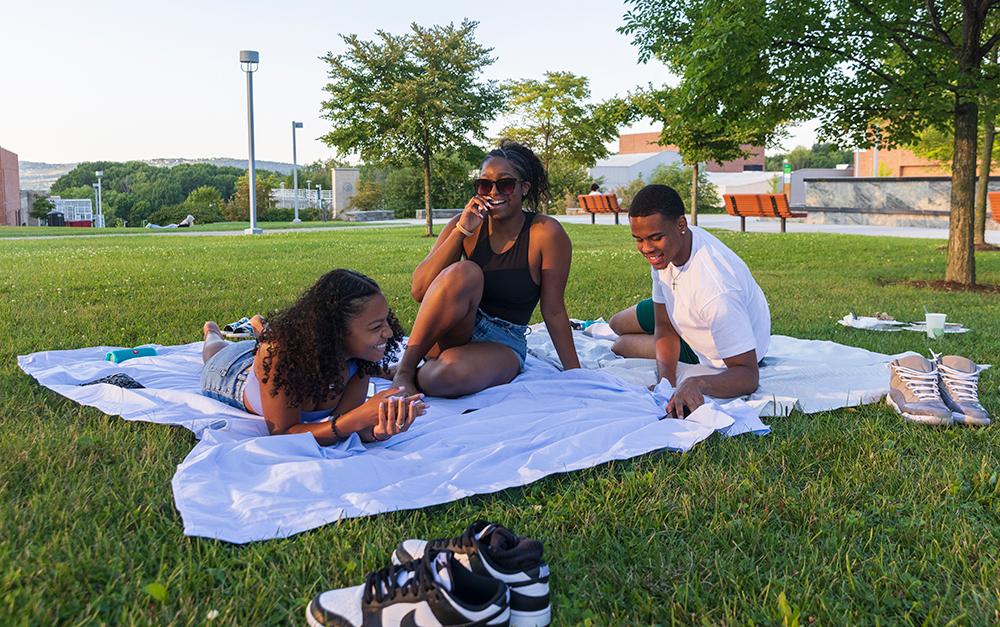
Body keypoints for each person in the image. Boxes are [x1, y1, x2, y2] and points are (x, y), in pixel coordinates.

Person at [391, 140, 581, 398]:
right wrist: (462, 231)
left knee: (441, 379)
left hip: (503, 339)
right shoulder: (464, 224)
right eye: (484, 184)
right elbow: (419, 290)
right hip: (459, 326)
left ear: (524, 188)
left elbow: (554, 309)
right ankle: (404, 370)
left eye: (505, 184)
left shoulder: (546, 233)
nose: (494, 192)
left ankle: (420, 372)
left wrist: (576, 375)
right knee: (464, 272)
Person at [199, 269, 425, 445]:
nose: (390, 332)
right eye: (376, 326)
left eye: (386, 320)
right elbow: (284, 433)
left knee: (266, 341)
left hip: (275, 359)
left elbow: (346, 425)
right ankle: (212, 331)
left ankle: (260, 327)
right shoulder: (280, 354)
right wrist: (359, 417)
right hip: (229, 372)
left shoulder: (360, 361)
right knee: (216, 349)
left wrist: (380, 430)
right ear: (336, 331)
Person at [627, 184, 771, 417]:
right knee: (617, 324)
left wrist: (697, 383)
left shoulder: (716, 289)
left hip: (717, 348)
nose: (646, 248)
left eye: (654, 238)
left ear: (681, 225)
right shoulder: (669, 249)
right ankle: (592, 328)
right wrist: (667, 384)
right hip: (685, 316)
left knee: (620, 345)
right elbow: (664, 326)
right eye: (638, 239)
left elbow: (747, 374)